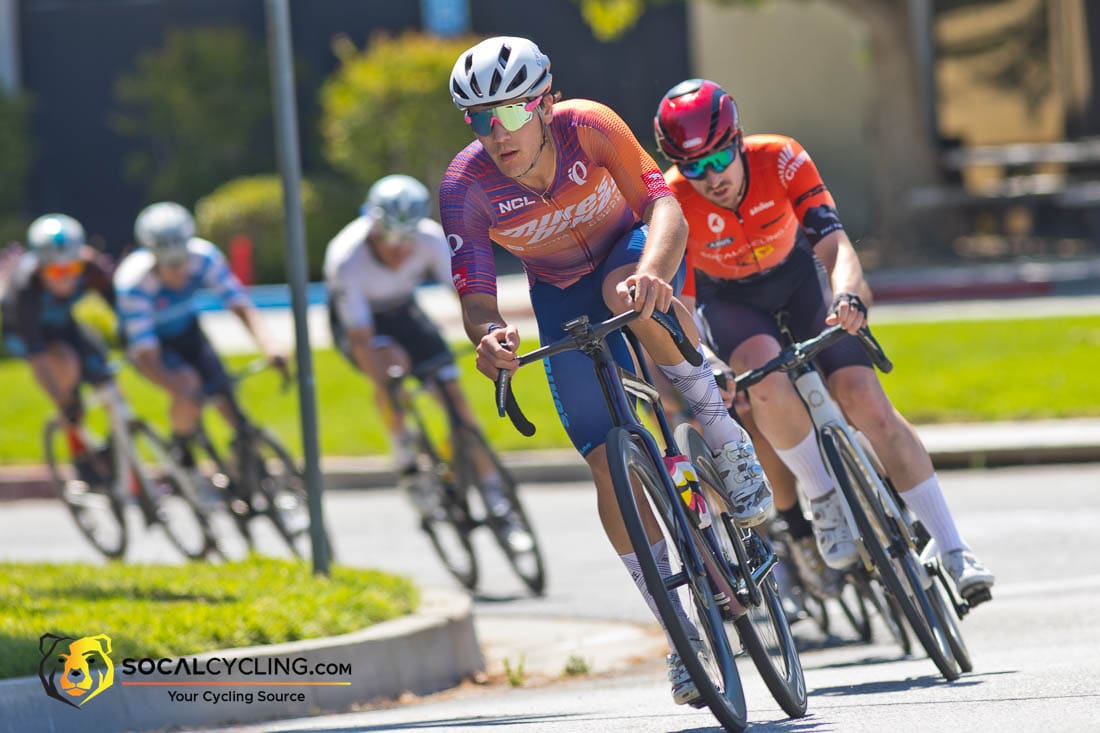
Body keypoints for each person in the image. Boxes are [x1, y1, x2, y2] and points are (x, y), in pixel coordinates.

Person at [440, 36, 772, 706]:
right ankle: (681, 634)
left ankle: (725, 437)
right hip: (558, 291)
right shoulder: (465, 186)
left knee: (629, 292)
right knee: (603, 461)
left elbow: (665, 207)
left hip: (630, 252)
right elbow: (476, 296)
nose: (496, 134)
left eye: (508, 114)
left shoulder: (589, 127)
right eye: (479, 119)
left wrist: (654, 271)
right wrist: (490, 337)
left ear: (544, 103)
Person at [653, 78, 994, 604]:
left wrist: (848, 298)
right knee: (761, 376)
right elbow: (686, 301)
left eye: (719, 158)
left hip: (799, 281)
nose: (711, 177)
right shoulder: (672, 200)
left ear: (738, 139)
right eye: (693, 167)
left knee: (864, 398)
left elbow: (835, 245)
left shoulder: (782, 157)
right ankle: (824, 499)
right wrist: (710, 361)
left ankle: (953, 547)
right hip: (732, 302)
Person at [323, 174, 529, 549]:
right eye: (390, 239)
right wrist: (392, 382)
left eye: (408, 239)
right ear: (372, 224)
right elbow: (361, 341)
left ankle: (498, 502)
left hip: (404, 310)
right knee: (390, 370)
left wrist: (490, 334)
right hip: (361, 325)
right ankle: (405, 454)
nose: (401, 249)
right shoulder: (346, 259)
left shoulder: (431, 238)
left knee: (456, 402)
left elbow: (468, 299)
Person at [113, 202, 285, 463]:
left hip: (188, 331)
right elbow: (147, 357)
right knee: (186, 384)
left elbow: (240, 305)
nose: (179, 270)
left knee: (225, 394)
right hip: (151, 346)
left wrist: (270, 346)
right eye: (169, 264)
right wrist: (179, 391)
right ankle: (182, 451)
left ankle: (249, 461)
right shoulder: (134, 285)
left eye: (182, 260)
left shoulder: (204, 257)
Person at [1, 214, 116, 485]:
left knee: (107, 376)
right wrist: (64, 402)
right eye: (55, 272)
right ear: (40, 267)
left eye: (71, 269)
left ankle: (115, 445)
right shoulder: (24, 290)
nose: (65, 279)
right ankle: (79, 452)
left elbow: (119, 306)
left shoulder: (90, 267)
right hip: (27, 334)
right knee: (66, 366)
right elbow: (38, 357)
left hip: (64, 324)